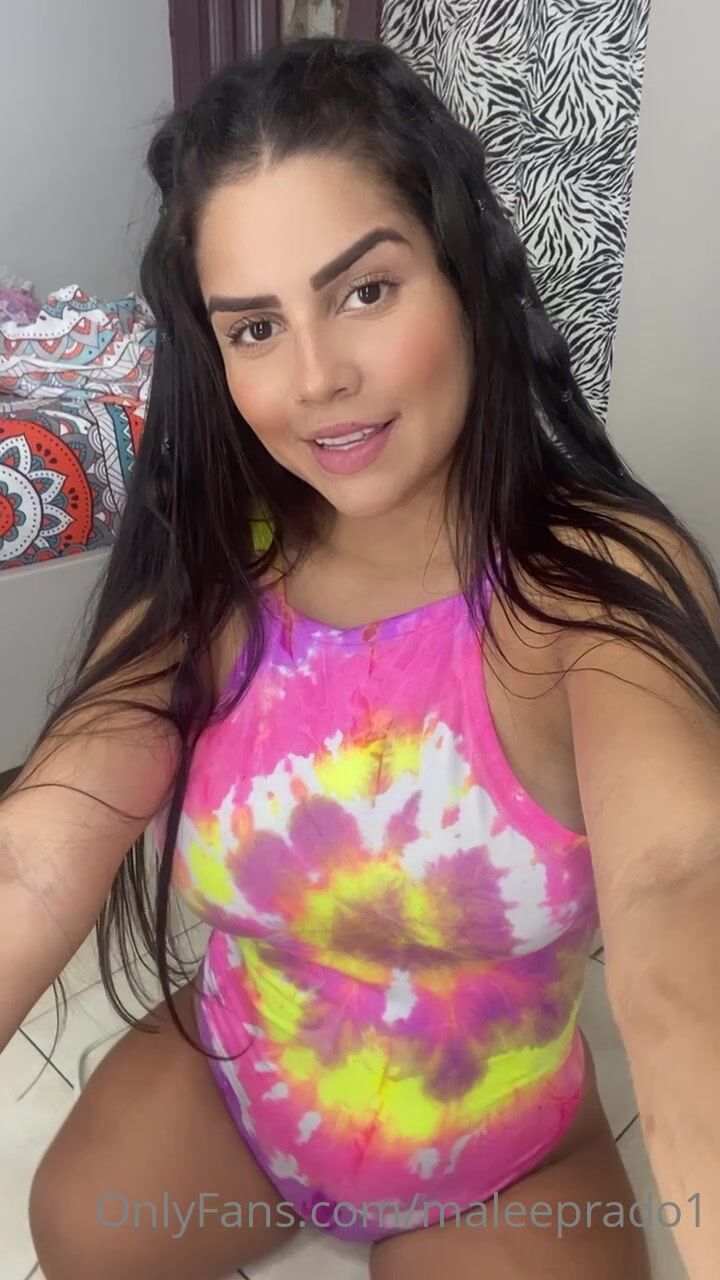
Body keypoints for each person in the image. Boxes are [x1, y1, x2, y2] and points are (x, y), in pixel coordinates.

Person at [2, 34, 719, 1280]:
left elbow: (680, 884)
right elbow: (31, 858)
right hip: (244, 1093)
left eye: (366, 291)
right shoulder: (211, 567)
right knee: (77, 1220)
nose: (318, 378)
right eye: (255, 327)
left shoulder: (592, 578)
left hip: (500, 1162)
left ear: (463, 273)